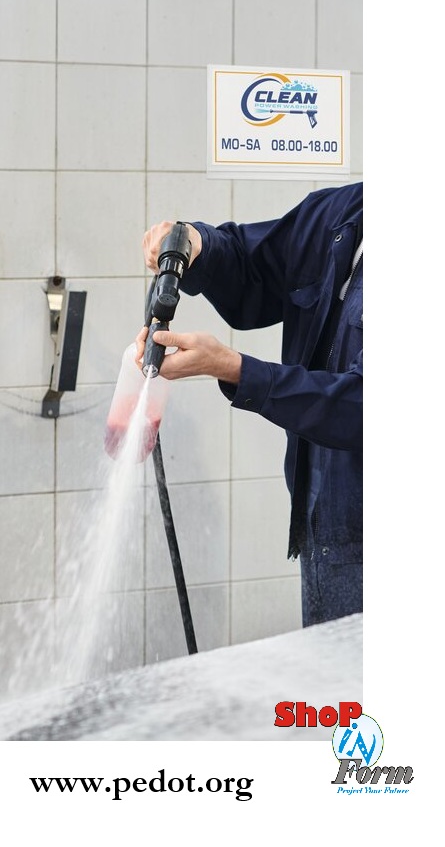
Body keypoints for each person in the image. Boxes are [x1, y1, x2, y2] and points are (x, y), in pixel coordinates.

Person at [136, 182, 363, 627]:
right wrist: (197, 243)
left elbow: (362, 406)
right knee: (331, 672)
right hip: (319, 531)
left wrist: (237, 370)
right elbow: (250, 269)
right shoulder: (339, 214)